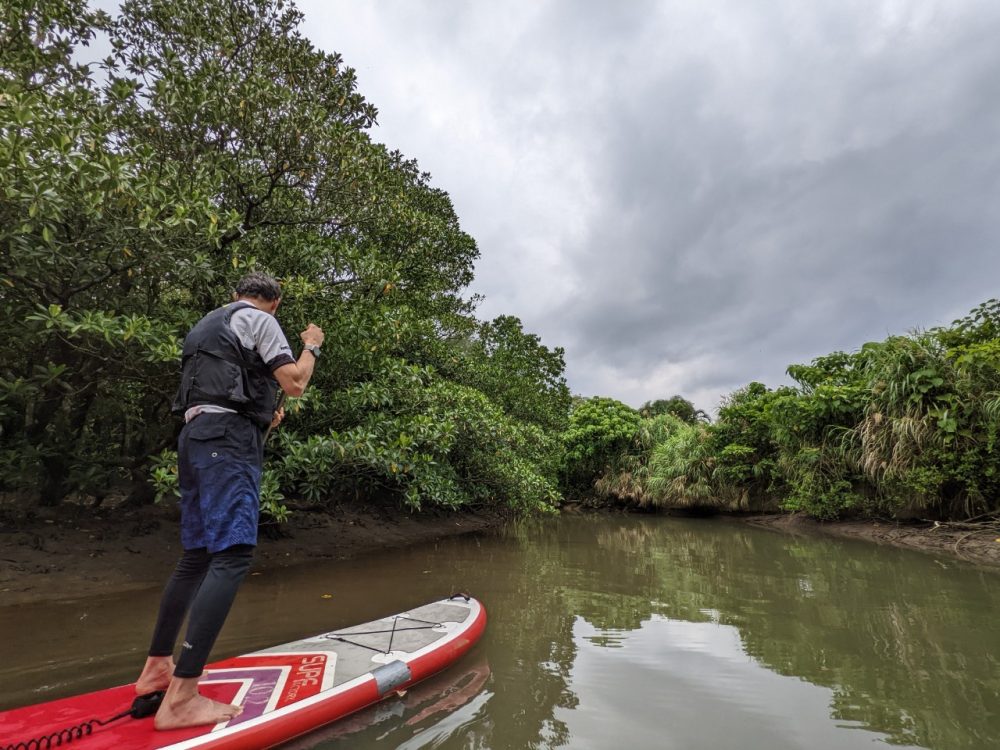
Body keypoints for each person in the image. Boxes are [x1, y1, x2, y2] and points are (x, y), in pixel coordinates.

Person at [134, 272, 324, 730]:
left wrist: (261, 417)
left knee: (196, 555)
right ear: (272, 303)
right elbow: (295, 382)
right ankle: (181, 696)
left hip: (196, 438)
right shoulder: (260, 320)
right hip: (225, 443)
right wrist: (312, 346)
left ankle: (155, 670)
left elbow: (220, 395)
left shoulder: (205, 326)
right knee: (233, 555)